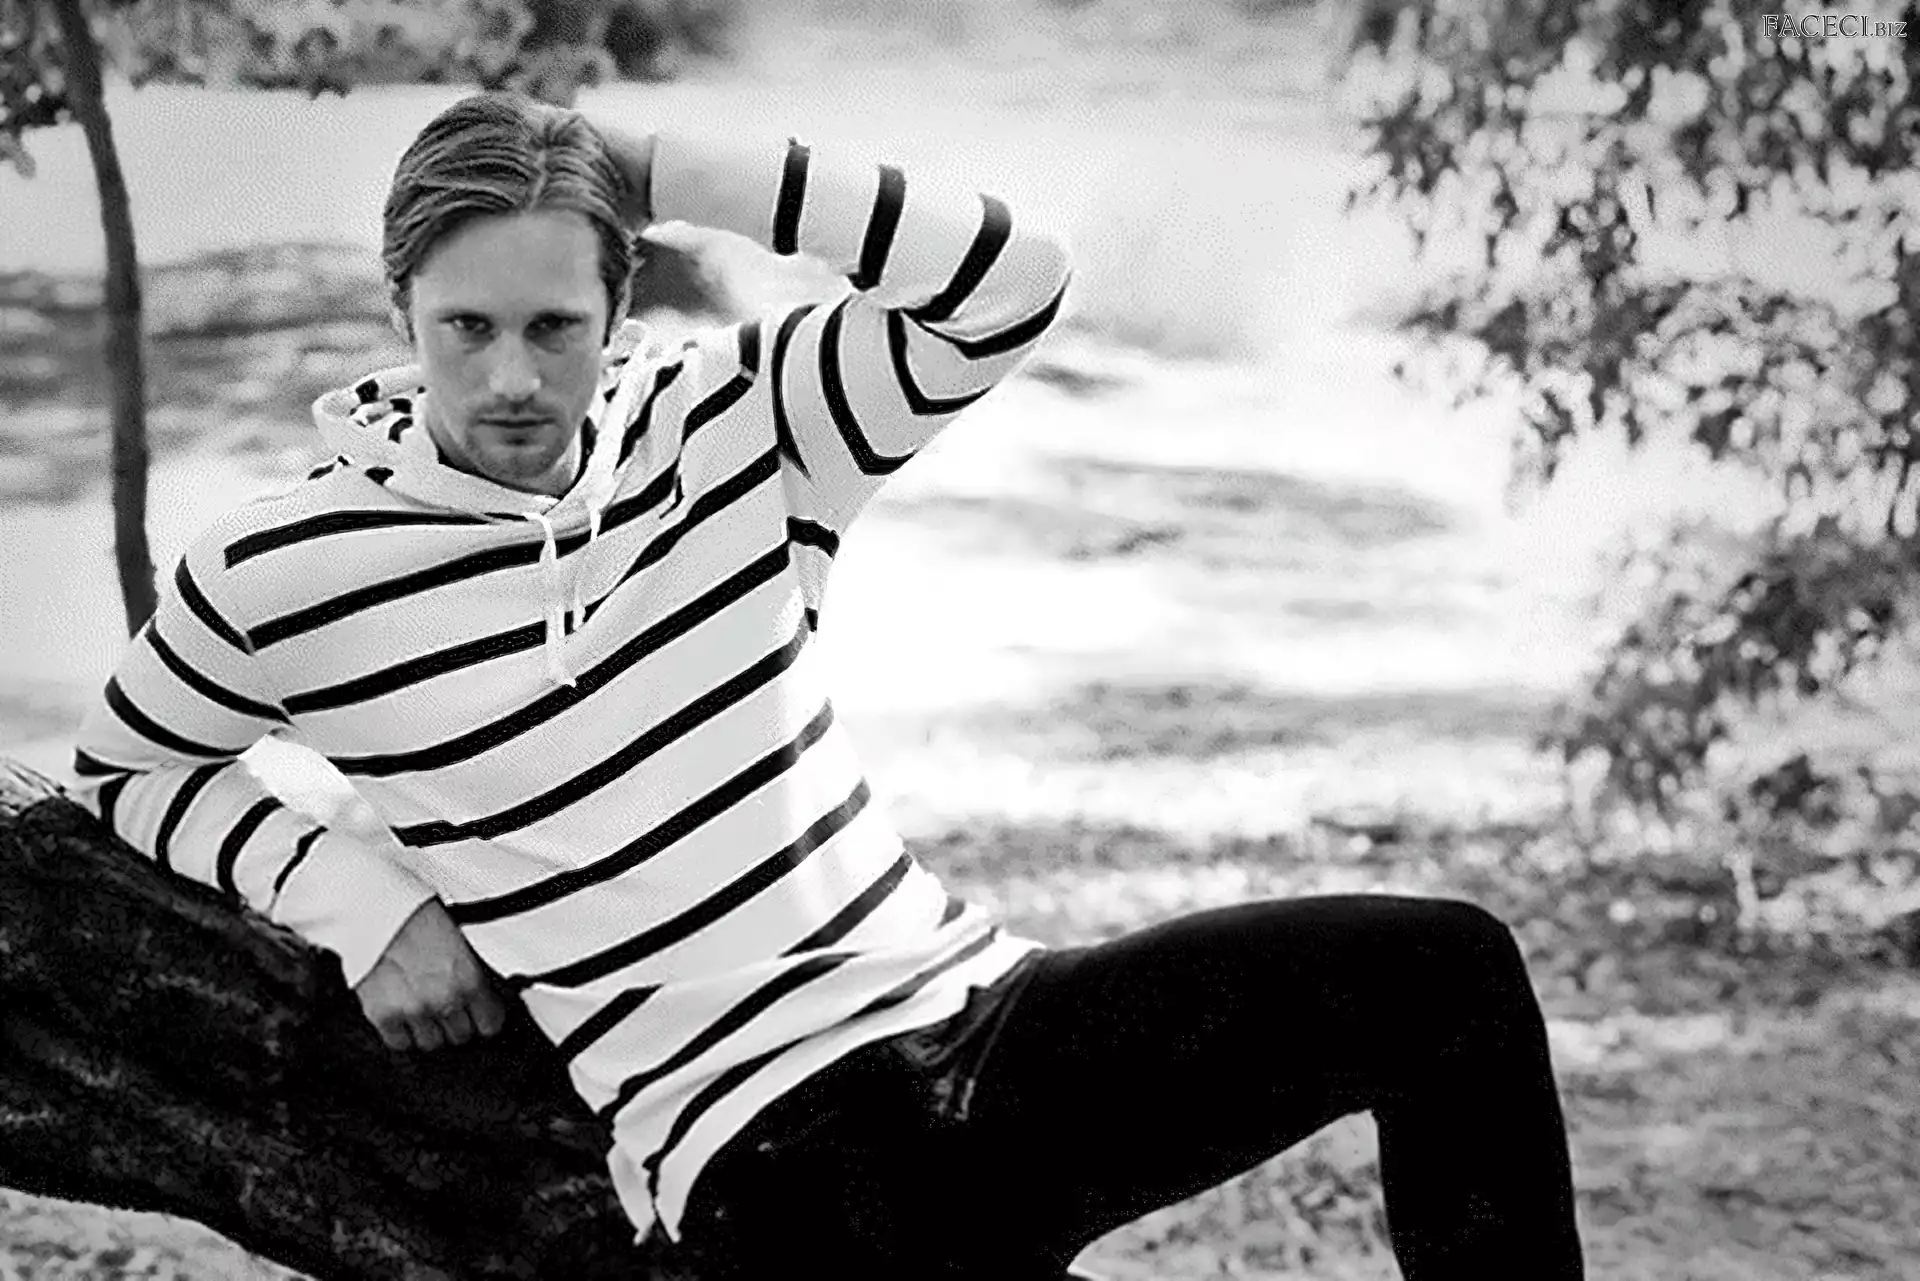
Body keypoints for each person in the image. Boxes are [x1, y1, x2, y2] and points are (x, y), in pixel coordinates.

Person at [70, 91, 1587, 1279]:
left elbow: (1010, 283)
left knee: (1441, 972)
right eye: (468, 326)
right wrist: (362, 901)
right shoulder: (289, 567)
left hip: (985, 1021)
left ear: (619, 309)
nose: (514, 378)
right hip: (768, 1150)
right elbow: (129, 764)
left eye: (556, 326)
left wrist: (659, 163)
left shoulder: (737, 422)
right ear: (400, 304)